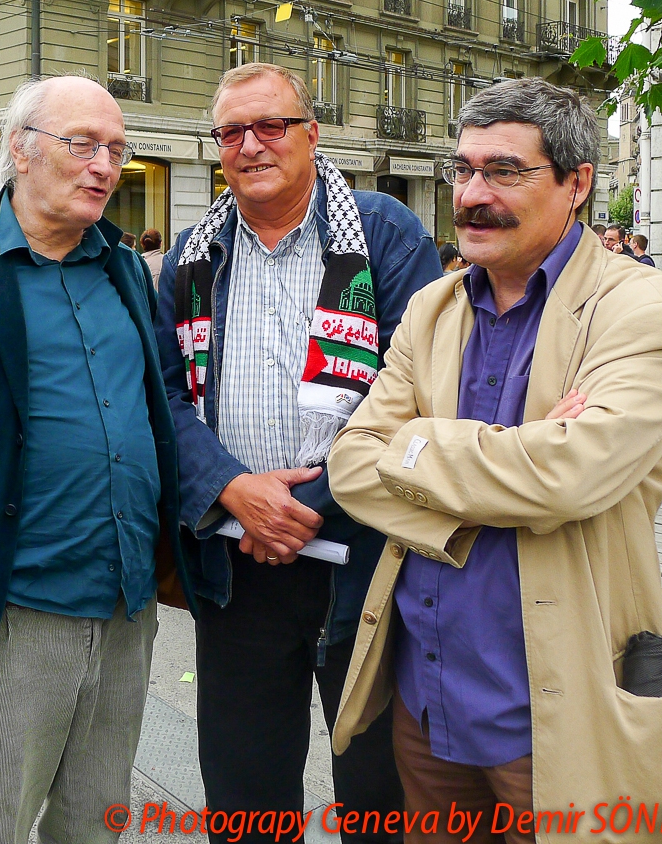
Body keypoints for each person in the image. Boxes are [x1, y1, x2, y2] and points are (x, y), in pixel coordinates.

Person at [328, 77, 662, 841]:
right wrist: (521, 455)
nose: (473, 193)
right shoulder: (433, 306)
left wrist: (414, 450)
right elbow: (349, 465)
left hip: (559, 704)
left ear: (577, 184)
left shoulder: (643, 308)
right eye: (463, 169)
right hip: (425, 696)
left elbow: (572, 475)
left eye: (505, 171)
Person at [0, 76, 194, 844]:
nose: (105, 164)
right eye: (82, 143)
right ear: (19, 150)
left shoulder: (120, 263)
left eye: (116, 148)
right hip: (6, 609)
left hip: (125, 608)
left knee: (95, 825)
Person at [153, 63, 441, 843]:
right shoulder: (193, 254)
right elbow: (166, 395)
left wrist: (297, 509)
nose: (251, 145)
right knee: (247, 799)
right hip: (238, 566)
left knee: (381, 796)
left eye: (271, 125)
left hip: (366, 564)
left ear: (312, 133)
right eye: (232, 132)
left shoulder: (382, 231)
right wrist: (233, 489)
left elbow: (411, 386)